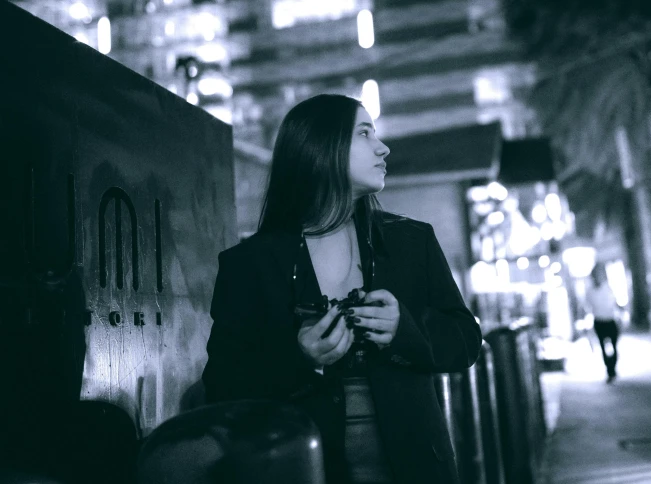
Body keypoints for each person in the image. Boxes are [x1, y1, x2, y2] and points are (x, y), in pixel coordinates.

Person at [201, 94, 482, 484]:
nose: (383, 147)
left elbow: (466, 340)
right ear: (320, 147)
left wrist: (406, 330)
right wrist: (300, 358)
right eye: (364, 133)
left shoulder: (412, 242)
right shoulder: (250, 264)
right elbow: (221, 385)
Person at [585, 264, 621, 383]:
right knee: (603, 347)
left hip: (610, 320)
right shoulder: (590, 291)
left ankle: (613, 367)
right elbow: (587, 307)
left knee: (614, 346)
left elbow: (614, 302)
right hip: (599, 322)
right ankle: (609, 370)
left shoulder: (608, 287)